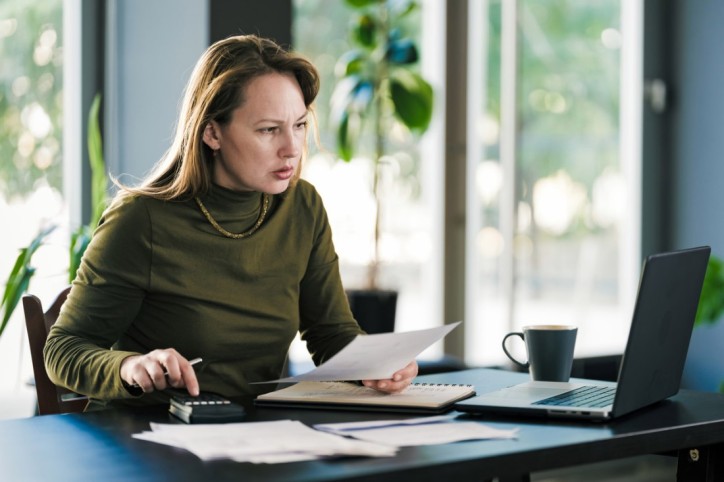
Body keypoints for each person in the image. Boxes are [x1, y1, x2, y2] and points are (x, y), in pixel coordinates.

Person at [44, 34, 417, 410]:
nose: (292, 147)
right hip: (148, 440)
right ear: (212, 133)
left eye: (300, 125)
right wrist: (129, 366)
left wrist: (375, 364)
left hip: (257, 433)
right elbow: (63, 350)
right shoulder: (141, 221)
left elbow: (330, 333)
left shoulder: (302, 207)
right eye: (269, 130)